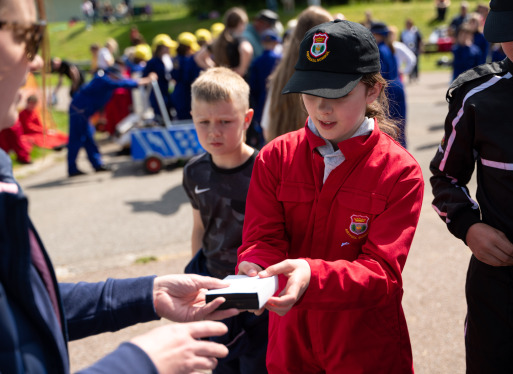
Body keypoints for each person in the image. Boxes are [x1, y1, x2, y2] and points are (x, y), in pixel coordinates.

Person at [0, 0, 240, 373]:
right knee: (78, 146)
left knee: (85, 149)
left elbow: (29, 303)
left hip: (83, 116)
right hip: (82, 115)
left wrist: (147, 293)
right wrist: (140, 362)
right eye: (28, 37)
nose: (35, 62)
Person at [237, 19, 424, 373]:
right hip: (290, 340)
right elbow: (262, 236)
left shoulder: (399, 171)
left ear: (373, 90)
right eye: (310, 95)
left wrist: (311, 275)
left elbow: (382, 273)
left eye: (337, 95)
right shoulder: (275, 157)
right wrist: (256, 266)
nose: (322, 109)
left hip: (364, 344)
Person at [429, 0, 513, 372]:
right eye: (512, 32)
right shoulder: (476, 96)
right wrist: (469, 227)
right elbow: (445, 177)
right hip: (498, 286)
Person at [183, 67, 268, 373]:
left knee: (258, 366)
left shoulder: (266, 167)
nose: (213, 132)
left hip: (257, 293)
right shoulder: (194, 172)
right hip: (215, 288)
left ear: (246, 119)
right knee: (221, 365)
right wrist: (195, 283)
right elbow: (200, 228)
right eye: (203, 122)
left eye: (224, 121)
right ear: (192, 117)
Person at [261, 6, 333, 143]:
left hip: (282, 153)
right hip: (315, 154)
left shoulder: (280, 74)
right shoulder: (324, 74)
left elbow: (266, 127)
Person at [67, 66, 154, 177]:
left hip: (84, 112)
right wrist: (145, 80)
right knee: (76, 140)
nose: (118, 79)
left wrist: (101, 117)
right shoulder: (103, 79)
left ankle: (97, 165)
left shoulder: (104, 80)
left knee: (89, 138)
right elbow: (123, 84)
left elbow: (100, 100)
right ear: (112, 75)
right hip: (78, 112)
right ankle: (72, 168)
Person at [371, 21, 408, 148]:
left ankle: (394, 153)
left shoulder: (379, 50)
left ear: (377, 35)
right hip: (398, 86)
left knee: (390, 127)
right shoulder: (389, 47)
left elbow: (380, 75)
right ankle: (403, 150)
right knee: (400, 125)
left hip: (389, 90)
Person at [248, 29, 282, 148]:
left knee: (264, 130)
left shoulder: (257, 62)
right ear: (276, 43)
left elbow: (253, 86)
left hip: (262, 99)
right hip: (278, 98)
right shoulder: (281, 59)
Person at [211, 7, 254, 79]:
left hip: (223, 79)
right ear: (241, 23)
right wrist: (242, 69)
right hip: (238, 81)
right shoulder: (238, 39)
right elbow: (247, 50)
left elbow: (199, 56)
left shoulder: (221, 39)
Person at [143, 34, 176, 121]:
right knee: (161, 116)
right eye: (167, 47)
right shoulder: (152, 62)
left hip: (167, 92)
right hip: (157, 94)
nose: (169, 49)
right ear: (161, 48)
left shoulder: (168, 60)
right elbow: (145, 79)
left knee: (170, 114)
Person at [400, 18, 423, 82]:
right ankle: (410, 76)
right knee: (409, 62)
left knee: (415, 63)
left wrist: (421, 48)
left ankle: (415, 76)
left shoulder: (415, 31)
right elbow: (401, 41)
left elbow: (420, 40)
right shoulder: (403, 32)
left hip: (415, 49)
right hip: (407, 50)